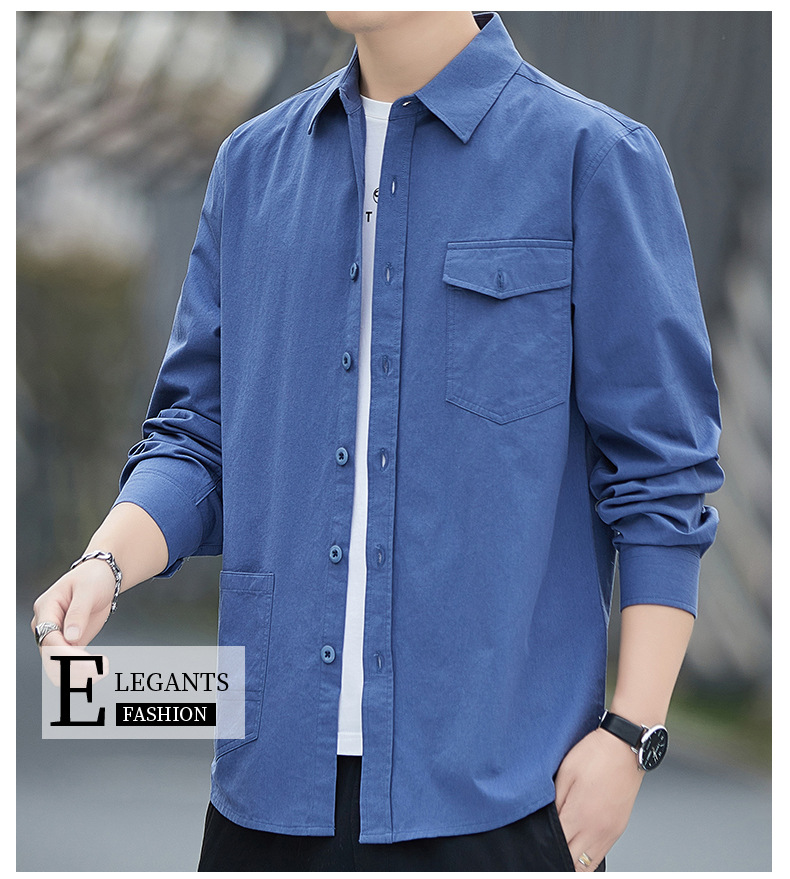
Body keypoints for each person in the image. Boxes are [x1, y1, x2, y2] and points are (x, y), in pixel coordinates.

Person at [31, 10, 724, 872]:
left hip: (501, 795)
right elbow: (198, 436)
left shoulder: (592, 158)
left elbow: (662, 475)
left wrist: (630, 733)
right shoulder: (251, 167)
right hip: (268, 796)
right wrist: (103, 563)